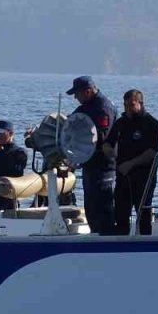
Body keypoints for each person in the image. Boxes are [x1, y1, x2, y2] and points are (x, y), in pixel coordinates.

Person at [66, 76, 118, 235]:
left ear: (88, 91)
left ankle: (106, 240)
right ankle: (97, 234)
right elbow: (71, 122)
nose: (76, 98)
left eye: (77, 94)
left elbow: (101, 138)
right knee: (91, 207)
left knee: (103, 208)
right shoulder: (87, 107)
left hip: (103, 167)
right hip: (89, 165)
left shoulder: (103, 108)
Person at [110, 89, 158, 236]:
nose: (128, 108)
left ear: (140, 103)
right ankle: (121, 247)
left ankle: (146, 246)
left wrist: (131, 163)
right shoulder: (121, 123)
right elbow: (109, 143)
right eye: (125, 105)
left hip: (144, 178)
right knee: (120, 215)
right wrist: (110, 152)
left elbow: (152, 151)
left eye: (131, 105)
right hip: (123, 177)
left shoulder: (152, 125)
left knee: (144, 216)